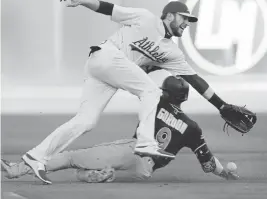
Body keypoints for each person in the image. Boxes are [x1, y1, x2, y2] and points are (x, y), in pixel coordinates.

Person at [21, 0, 231, 185]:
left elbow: (195, 80)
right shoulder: (146, 18)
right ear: (169, 15)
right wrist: (83, 1)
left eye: (189, 20)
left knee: (86, 121)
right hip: (106, 56)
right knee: (151, 92)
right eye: (184, 18)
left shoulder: (172, 53)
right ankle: (146, 143)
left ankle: (35, 157)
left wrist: (221, 106)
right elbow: (110, 8)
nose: (187, 23)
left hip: (108, 73)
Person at [2, 76, 239, 183]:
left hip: (133, 150)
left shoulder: (156, 99)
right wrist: (225, 173)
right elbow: (208, 165)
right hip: (147, 170)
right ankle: (95, 176)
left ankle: (16, 170)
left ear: (166, 93)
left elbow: (131, 78)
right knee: (91, 172)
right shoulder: (193, 128)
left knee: (72, 157)